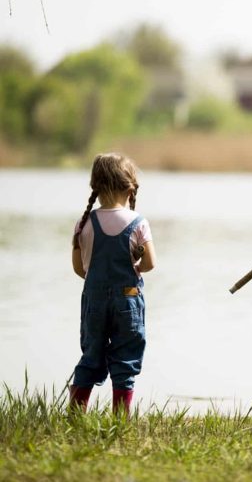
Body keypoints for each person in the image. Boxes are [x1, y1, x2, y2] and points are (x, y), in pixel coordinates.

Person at [68, 153, 156, 416]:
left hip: (94, 301)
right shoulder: (138, 222)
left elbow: (79, 268)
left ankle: (75, 415)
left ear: (95, 187)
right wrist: (135, 268)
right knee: (125, 358)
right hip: (128, 300)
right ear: (130, 188)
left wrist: (99, 282)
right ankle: (120, 417)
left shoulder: (84, 223)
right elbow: (150, 263)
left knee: (91, 356)